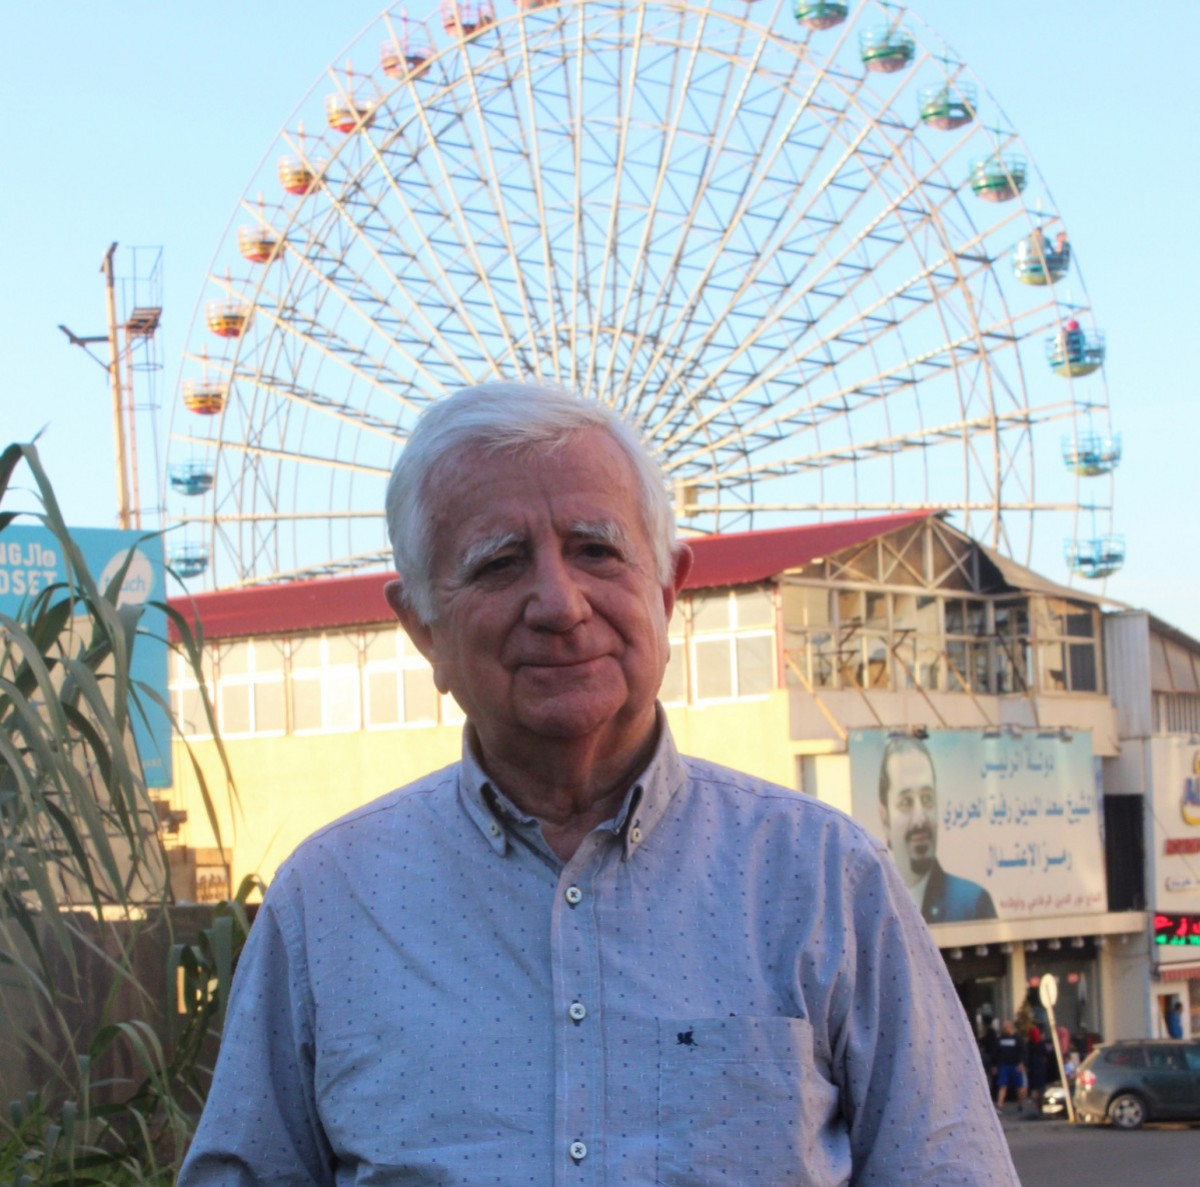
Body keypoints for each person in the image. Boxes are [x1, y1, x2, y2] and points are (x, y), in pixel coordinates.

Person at [179, 382, 1017, 1185]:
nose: (560, 602)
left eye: (597, 550)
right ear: (421, 626)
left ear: (669, 590)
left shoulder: (828, 880)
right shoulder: (329, 905)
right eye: (500, 563)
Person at [877, 735, 998, 923]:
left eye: (927, 798)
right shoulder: (874, 906)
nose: (920, 818)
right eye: (906, 802)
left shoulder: (973, 905)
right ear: (885, 819)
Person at [994, 1018, 1027, 1113]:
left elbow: (1023, 1052)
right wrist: (995, 1065)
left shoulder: (1018, 1039)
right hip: (1004, 1065)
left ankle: (1020, 1103)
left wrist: (1022, 1063)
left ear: (1010, 1027)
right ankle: (1000, 1104)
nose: (1004, 1030)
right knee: (1002, 1085)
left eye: (1005, 1028)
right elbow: (996, 1052)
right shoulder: (1000, 1039)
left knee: (1019, 1087)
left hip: (1015, 1065)